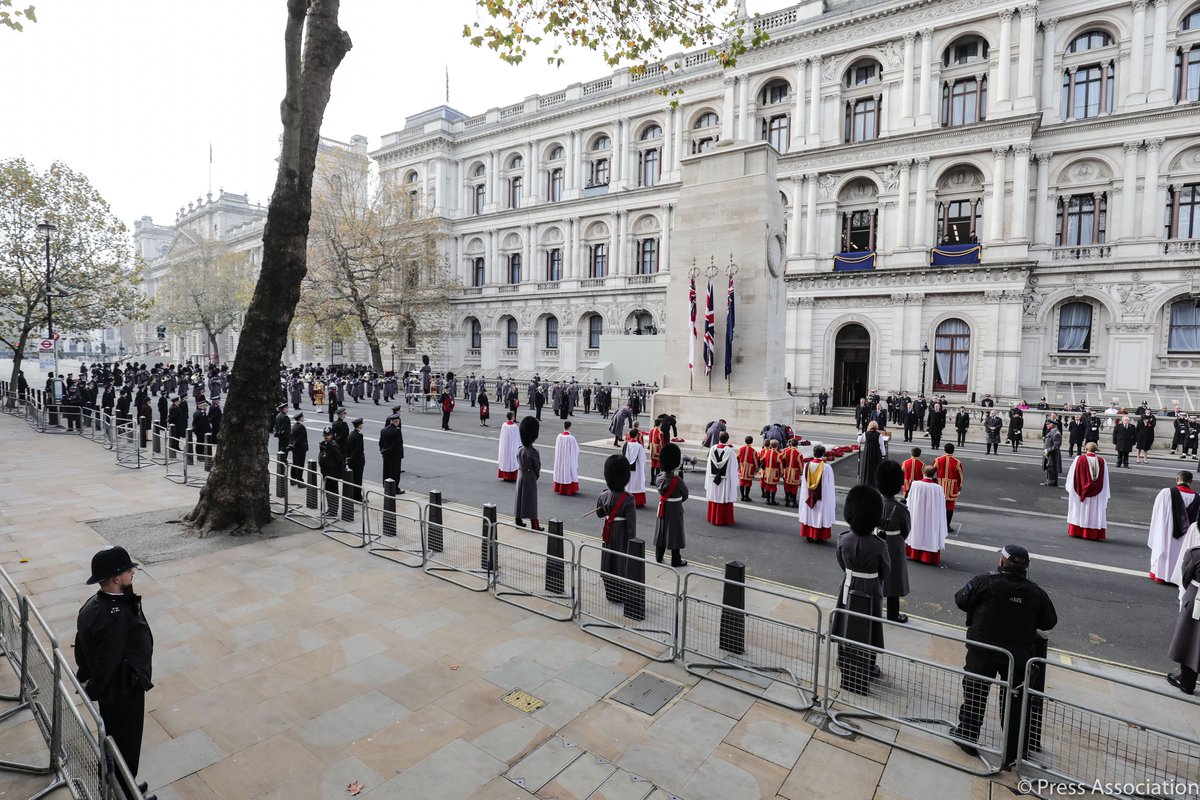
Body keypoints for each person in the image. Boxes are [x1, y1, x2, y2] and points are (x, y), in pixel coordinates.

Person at [950, 545, 1057, 767]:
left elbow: (961, 599)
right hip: (1018, 655)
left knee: (975, 693)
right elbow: (1049, 621)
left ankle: (967, 737)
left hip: (982, 651)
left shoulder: (984, 582)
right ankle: (1013, 751)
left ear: (1002, 562)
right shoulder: (1035, 592)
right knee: (1015, 703)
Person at [75, 546, 154, 776]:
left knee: (114, 739)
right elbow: (107, 660)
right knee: (125, 747)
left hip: (114, 690)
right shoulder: (116, 615)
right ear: (117, 578)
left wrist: (85, 675)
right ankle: (125, 791)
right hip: (123, 690)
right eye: (130, 571)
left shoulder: (94, 603)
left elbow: (81, 644)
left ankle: (119, 785)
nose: (133, 574)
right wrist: (94, 689)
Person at [831, 485, 891, 695]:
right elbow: (886, 569)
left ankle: (843, 657)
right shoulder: (879, 544)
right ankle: (869, 665)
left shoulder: (843, 538)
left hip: (849, 584)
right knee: (870, 626)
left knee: (844, 622)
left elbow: (841, 562)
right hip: (872, 587)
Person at [1147, 471, 1200, 583]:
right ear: (1191, 481)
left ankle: (1161, 575)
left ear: (1177, 479)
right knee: (1181, 554)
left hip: (1167, 531)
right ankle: (1177, 577)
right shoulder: (1197, 497)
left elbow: (1158, 512)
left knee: (1166, 551)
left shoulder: (1166, 493)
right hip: (1186, 534)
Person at [597, 454, 637, 602]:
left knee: (608, 559)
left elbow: (599, 513)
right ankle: (620, 593)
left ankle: (609, 592)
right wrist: (632, 539)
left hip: (608, 530)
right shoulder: (628, 498)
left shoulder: (603, 495)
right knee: (621, 560)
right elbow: (631, 524)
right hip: (622, 533)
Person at [875, 460, 911, 623]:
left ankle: (874, 609)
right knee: (894, 578)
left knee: (875, 577)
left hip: (877, 539)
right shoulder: (901, 509)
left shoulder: (874, 503)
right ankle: (893, 613)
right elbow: (906, 530)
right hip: (894, 542)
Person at [1167, 523, 1200, 694]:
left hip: (1196, 598)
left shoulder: (1195, 553)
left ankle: (1186, 682)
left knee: (1190, 640)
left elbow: (1186, 578)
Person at [654, 443, 689, 567]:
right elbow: (685, 495)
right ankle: (676, 559)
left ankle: (659, 556)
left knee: (661, 531)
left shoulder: (658, 478)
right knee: (675, 533)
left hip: (663, 507)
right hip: (675, 509)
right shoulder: (677, 481)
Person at [1066, 442, 1109, 540]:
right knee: (1094, 511)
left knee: (1080, 510)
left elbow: (1072, 476)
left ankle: (1077, 530)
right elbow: (1105, 480)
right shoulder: (1102, 461)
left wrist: (1073, 489)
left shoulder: (1079, 459)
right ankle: (1092, 533)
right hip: (1096, 493)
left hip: (1080, 491)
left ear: (1086, 449)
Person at [906, 466, 948, 564]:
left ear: (923, 472)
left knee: (917, 530)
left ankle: (915, 554)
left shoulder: (915, 485)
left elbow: (910, 501)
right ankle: (928, 557)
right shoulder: (938, 488)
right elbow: (941, 505)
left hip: (917, 513)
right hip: (931, 516)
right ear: (934, 474)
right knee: (930, 532)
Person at [798, 444, 836, 542]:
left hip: (809, 495)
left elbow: (804, 483)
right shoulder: (827, 467)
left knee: (809, 514)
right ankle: (820, 536)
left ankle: (809, 535)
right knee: (820, 515)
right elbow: (830, 485)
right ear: (823, 454)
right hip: (822, 496)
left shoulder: (807, 465)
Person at [514, 416, 543, 530]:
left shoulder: (520, 449)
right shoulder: (533, 452)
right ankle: (534, 525)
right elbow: (537, 467)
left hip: (520, 474)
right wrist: (535, 475)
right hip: (529, 476)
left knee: (519, 499)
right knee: (531, 502)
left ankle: (518, 519)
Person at [704, 431, 738, 526]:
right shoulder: (730, 452)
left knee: (715, 496)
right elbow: (734, 468)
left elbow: (709, 466)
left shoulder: (712, 449)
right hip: (725, 480)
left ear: (719, 438)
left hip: (713, 478)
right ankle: (724, 519)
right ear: (727, 439)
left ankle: (713, 517)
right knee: (723, 497)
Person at [318, 427, 346, 518]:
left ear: (332, 436)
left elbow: (340, 460)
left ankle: (333, 511)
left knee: (333, 493)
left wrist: (340, 473)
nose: (326, 437)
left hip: (332, 474)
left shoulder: (333, 446)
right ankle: (330, 509)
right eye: (325, 436)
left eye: (328, 435)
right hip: (325, 473)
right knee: (328, 492)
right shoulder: (324, 445)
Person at [934, 443, 964, 527]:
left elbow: (932, 471)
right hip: (952, 487)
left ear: (944, 449)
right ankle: (947, 525)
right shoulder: (957, 462)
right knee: (950, 507)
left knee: (939, 506)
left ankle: (938, 523)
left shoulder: (937, 460)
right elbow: (960, 476)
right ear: (953, 450)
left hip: (940, 486)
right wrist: (960, 486)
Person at [379, 413, 405, 494]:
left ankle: (386, 485)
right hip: (395, 455)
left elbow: (380, 443)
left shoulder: (384, 430)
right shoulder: (397, 431)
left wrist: (383, 450)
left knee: (386, 470)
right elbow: (397, 444)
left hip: (386, 455)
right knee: (395, 473)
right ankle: (395, 488)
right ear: (396, 421)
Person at [553, 420, 580, 495]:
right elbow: (576, 449)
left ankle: (559, 486)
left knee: (561, 471)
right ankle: (568, 489)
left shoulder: (559, 437)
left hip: (560, 459)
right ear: (570, 427)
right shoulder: (571, 438)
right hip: (568, 459)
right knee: (568, 471)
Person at [623, 430, 649, 507]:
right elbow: (642, 459)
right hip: (637, 468)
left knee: (628, 484)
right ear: (637, 436)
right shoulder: (639, 446)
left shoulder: (626, 444)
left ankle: (626, 500)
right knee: (637, 484)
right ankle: (638, 501)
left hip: (627, 467)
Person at [857, 421, 885, 489]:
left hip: (868, 453)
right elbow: (882, 446)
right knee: (875, 467)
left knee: (867, 467)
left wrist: (859, 434)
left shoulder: (865, 434)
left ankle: (866, 482)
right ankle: (875, 483)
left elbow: (859, 441)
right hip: (876, 454)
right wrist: (883, 454)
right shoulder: (879, 435)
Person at [780, 438, 804, 508]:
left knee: (787, 486)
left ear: (790, 444)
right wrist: (801, 471)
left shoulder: (786, 451)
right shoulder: (799, 454)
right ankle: (794, 502)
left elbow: (782, 461)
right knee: (794, 487)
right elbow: (800, 464)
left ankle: (787, 502)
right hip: (795, 472)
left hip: (787, 471)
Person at [345, 417, 365, 501]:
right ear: (359, 425)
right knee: (358, 479)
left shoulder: (351, 434)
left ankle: (354, 494)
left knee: (353, 478)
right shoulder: (359, 435)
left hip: (351, 461)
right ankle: (358, 496)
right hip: (358, 461)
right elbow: (358, 450)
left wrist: (349, 458)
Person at [758, 439, 783, 506]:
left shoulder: (767, 452)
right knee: (774, 486)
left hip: (767, 471)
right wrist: (782, 473)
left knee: (768, 485)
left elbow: (761, 460)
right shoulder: (778, 454)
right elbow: (780, 464)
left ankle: (768, 500)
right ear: (777, 446)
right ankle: (772, 500)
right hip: (775, 472)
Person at [497, 411, 520, 481]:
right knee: (512, 459)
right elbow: (517, 438)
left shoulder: (504, 425)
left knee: (506, 459)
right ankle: (512, 476)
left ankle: (505, 476)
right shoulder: (515, 426)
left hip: (505, 446)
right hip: (512, 446)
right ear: (512, 417)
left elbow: (502, 437)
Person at [736, 435, 759, 502]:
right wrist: (756, 468)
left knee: (742, 482)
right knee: (748, 482)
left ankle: (742, 496)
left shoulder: (740, 449)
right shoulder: (754, 451)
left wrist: (737, 465)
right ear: (752, 442)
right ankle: (747, 496)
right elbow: (755, 460)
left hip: (742, 468)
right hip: (750, 469)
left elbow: (736, 457)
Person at [1042, 418, 1063, 488]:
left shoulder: (1056, 433)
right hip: (1049, 453)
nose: (1046, 426)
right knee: (1049, 467)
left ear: (1052, 425)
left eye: (1048, 424)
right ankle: (1049, 481)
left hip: (1053, 454)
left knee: (1052, 467)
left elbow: (1056, 445)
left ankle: (1052, 482)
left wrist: (1048, 450)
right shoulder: (1052, 432)